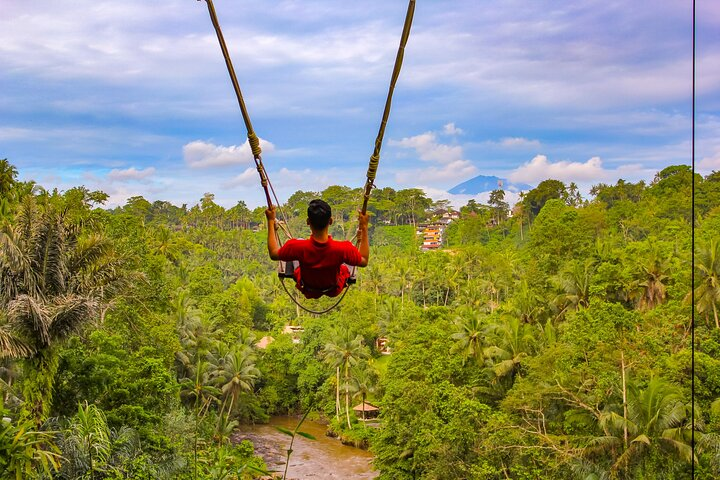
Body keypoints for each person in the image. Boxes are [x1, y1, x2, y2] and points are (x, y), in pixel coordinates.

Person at [266, 199, 369, 299]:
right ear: (331, 221)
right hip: (333, 289)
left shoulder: (296, 246)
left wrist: (270, 221)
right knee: (349, 255)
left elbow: (273, 254)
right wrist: (364, 226)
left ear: (308, 222)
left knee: (300, 241)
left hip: (308, 289)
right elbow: (364, 260)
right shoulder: (343, 248)